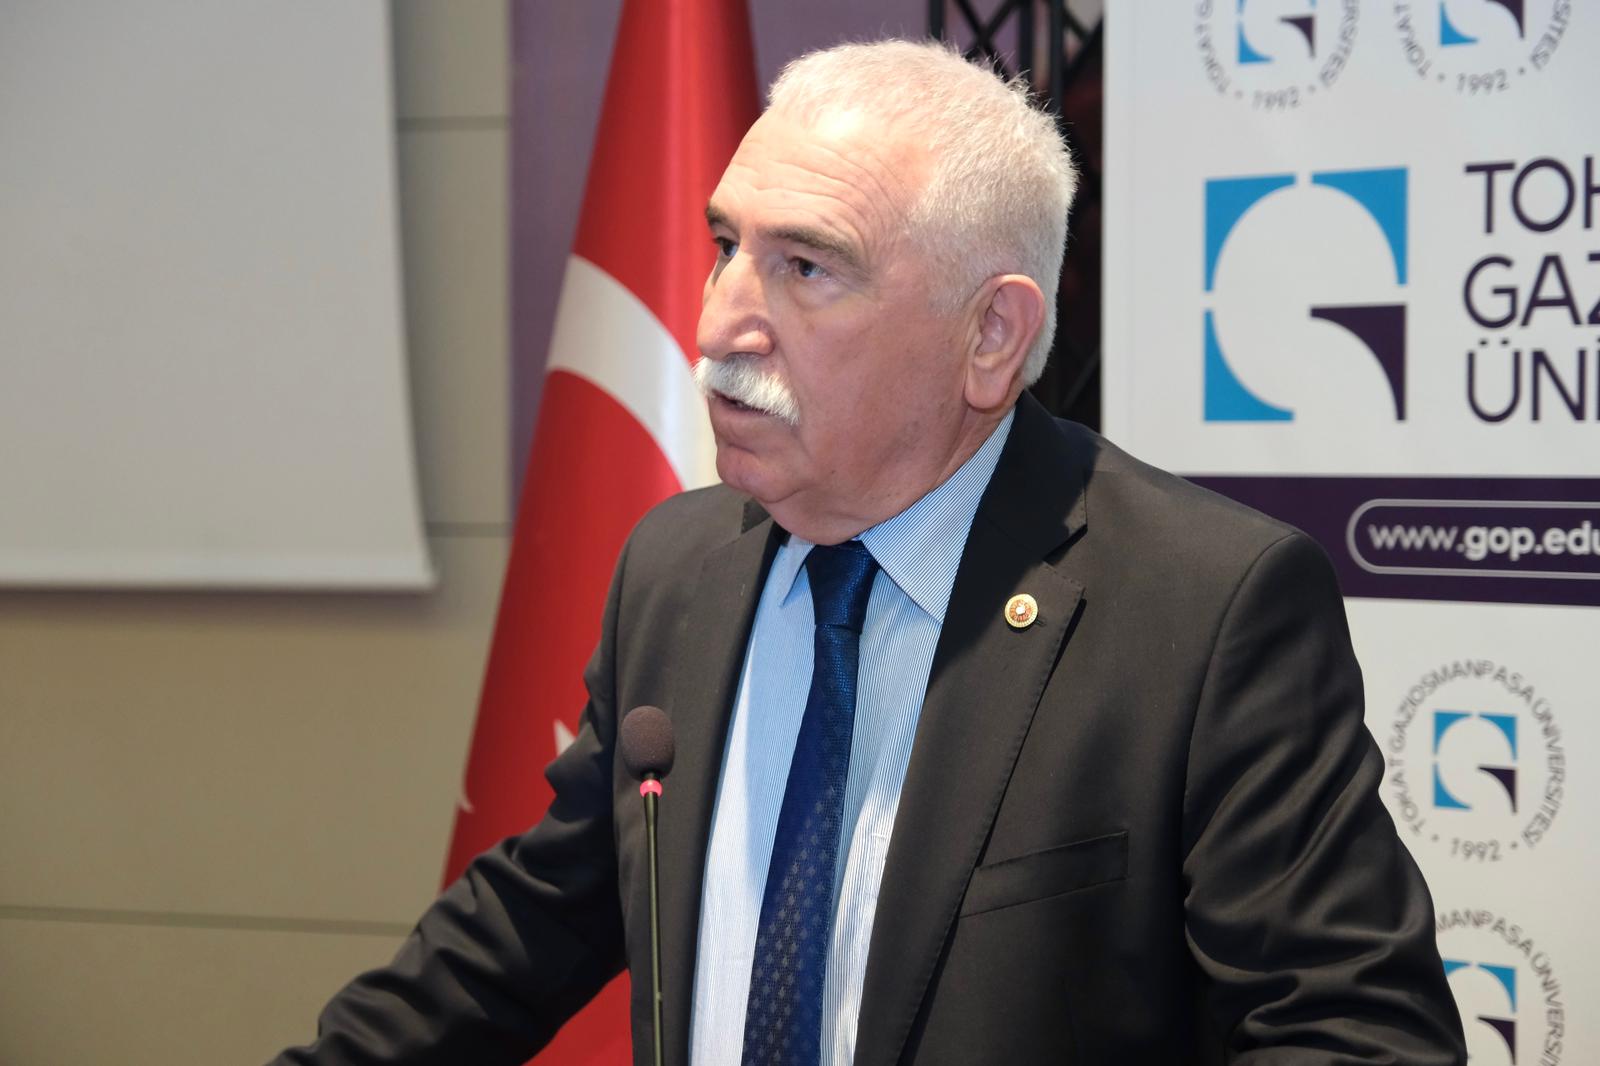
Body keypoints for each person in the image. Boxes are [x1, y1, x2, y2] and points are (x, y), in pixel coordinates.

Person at [274, 40, 1465, 1065]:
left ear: (990, 336)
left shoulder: (1199, 610)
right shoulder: (676, 570)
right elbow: (531, 922)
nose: (718, 321)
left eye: (805, 267)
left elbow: (1357, 1035)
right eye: (725, 245)